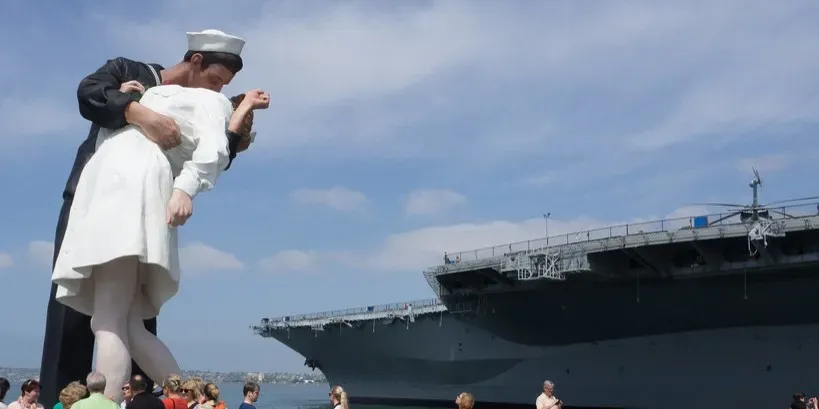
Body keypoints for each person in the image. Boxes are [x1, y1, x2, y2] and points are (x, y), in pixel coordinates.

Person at [39, 28, 252, 407]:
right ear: (196, 61)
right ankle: (189, 399)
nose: (217, 90)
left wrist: (236, 125)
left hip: (121, 197)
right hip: (110, 200)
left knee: (106, 318)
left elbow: (212, 152)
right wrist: (136, 108)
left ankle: (105, 402)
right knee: (118, 323)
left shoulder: (198, 100)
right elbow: (90, 93)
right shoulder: (134, 74)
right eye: (215, 80)